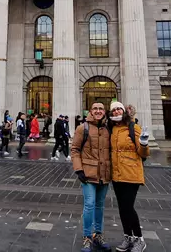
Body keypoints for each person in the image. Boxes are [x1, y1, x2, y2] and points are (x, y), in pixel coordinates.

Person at [108, 101, 150, 252]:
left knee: (128, 207)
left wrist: (144, 144)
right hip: (117, 174)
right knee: (122, 208)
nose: (117, 111)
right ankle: (128, 237)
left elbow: (143, 153)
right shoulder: (112, 129)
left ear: (124, 111)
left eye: (119, 109)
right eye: (114, 110)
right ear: (111, 113)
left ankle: (140, 239)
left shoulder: (134, 127)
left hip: (131, 173)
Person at [71, 101, 112, 252]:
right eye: (95, 108)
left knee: (100, 206)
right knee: (89, 204)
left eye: (101, 108)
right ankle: (87, 237)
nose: (98, 111)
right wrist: (78, 169)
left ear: (104, 111)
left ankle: (98, 235)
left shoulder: (109, 128)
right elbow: (75, 149)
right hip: (88, 174)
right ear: (90, 111)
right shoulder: (83, 128)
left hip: (104, 174)